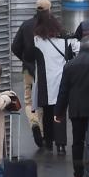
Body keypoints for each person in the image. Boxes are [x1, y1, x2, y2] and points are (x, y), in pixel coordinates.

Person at [54, 36, 89, 177]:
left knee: (77, 142)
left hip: (76, 109)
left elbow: (63, 91)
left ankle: (78, 173)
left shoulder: (69, 65)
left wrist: (58, 112)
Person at [32, 9, 80, 154]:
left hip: (45, 81)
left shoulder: (38, 40)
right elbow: (78, 51)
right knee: (60, 111)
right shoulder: (67, 39)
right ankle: (61, 145)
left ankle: (48, 141)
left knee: (47, 111)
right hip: (62, 78)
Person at [10, 0, 51, 149]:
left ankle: (34, 124)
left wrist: (25, 59)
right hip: (47, 70)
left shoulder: (26, 25)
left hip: (29, 69)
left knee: (29, 100)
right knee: (46, 101)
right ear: (49, 9)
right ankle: (45, 133)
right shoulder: (52, 26)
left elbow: (15, 47)